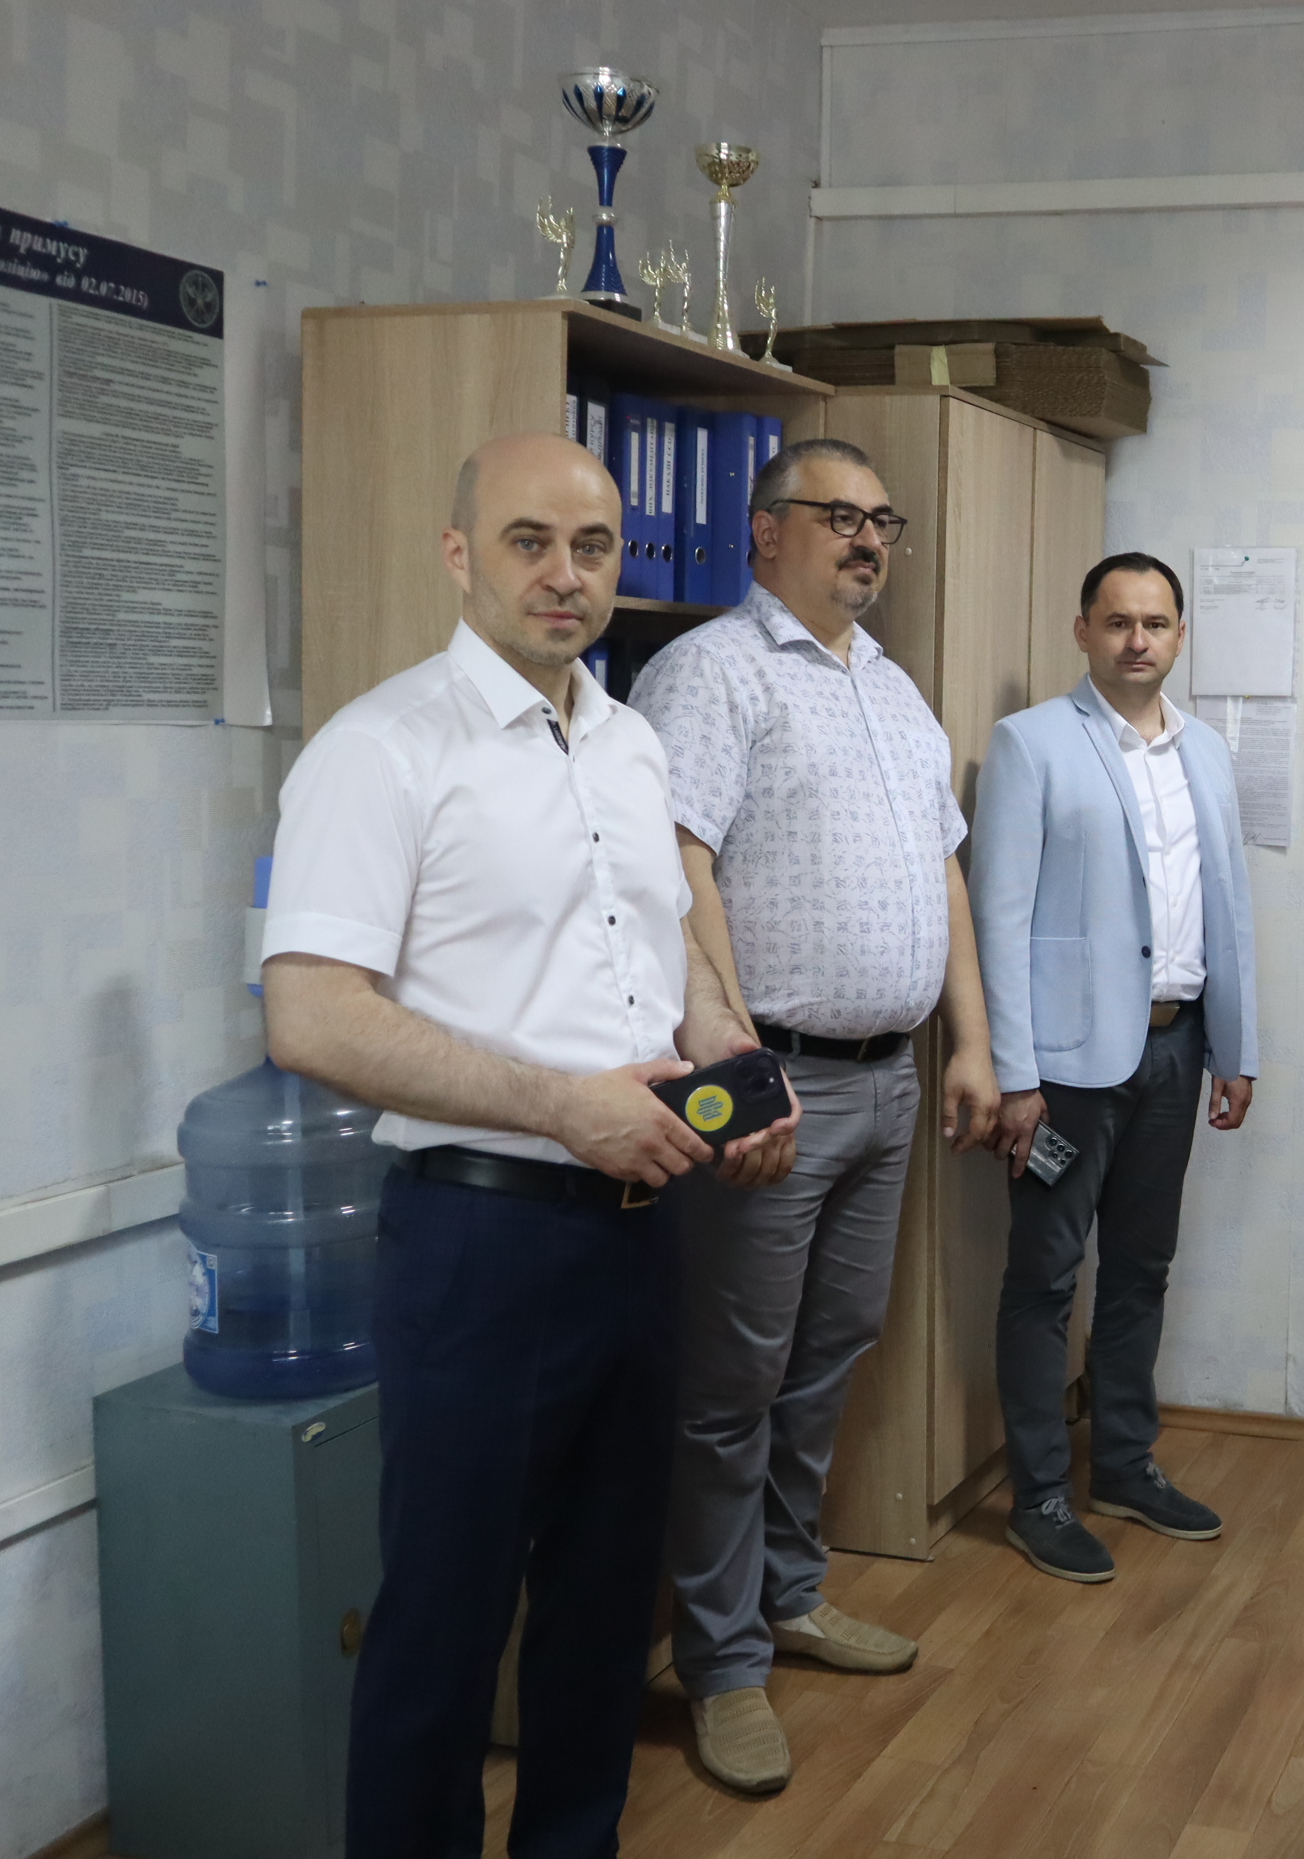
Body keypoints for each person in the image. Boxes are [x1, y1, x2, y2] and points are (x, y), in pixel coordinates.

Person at [261, 433, 795, 1858]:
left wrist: (726, 1055)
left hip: (643, 1228)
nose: (566, 575)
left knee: (605, 1610)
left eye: (593, 546)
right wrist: (563, 1106)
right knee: (444, 1625)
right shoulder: (380, 749)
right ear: (458, 555)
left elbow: (666, 947)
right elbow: (309, 1016)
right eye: (528, 541)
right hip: (480, 1237)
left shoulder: (629, 743)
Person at [628, 437, 1003, 1796]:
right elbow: (674, 863)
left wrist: (971, 1042)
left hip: (889, 1079)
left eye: (882, 521)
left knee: (828, 1355)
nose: (866, 540)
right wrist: (732, 1063)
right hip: (769, 1083)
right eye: (838, 516)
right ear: (764, 531)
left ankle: (787, 1595)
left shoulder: (891, 687)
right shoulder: (711, 673)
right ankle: (718, 1662)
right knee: (732, 1384)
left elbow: (945, 876)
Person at [970, 552, 1260, 1585]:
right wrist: (1014, 1074)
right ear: (1083, 631)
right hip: (1065, 1070)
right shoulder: (1033, 743)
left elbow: (1230, 909)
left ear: (1181, 635)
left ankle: (1126, 1466)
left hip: (1177, 1049)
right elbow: (999, 919)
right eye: (1118, 621)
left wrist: (1238, 1047)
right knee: (1046, 1277)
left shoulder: (1207, 752)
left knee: (1141, 1269)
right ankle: (1041, 1494)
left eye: (1157, 623)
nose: (1139, 640)